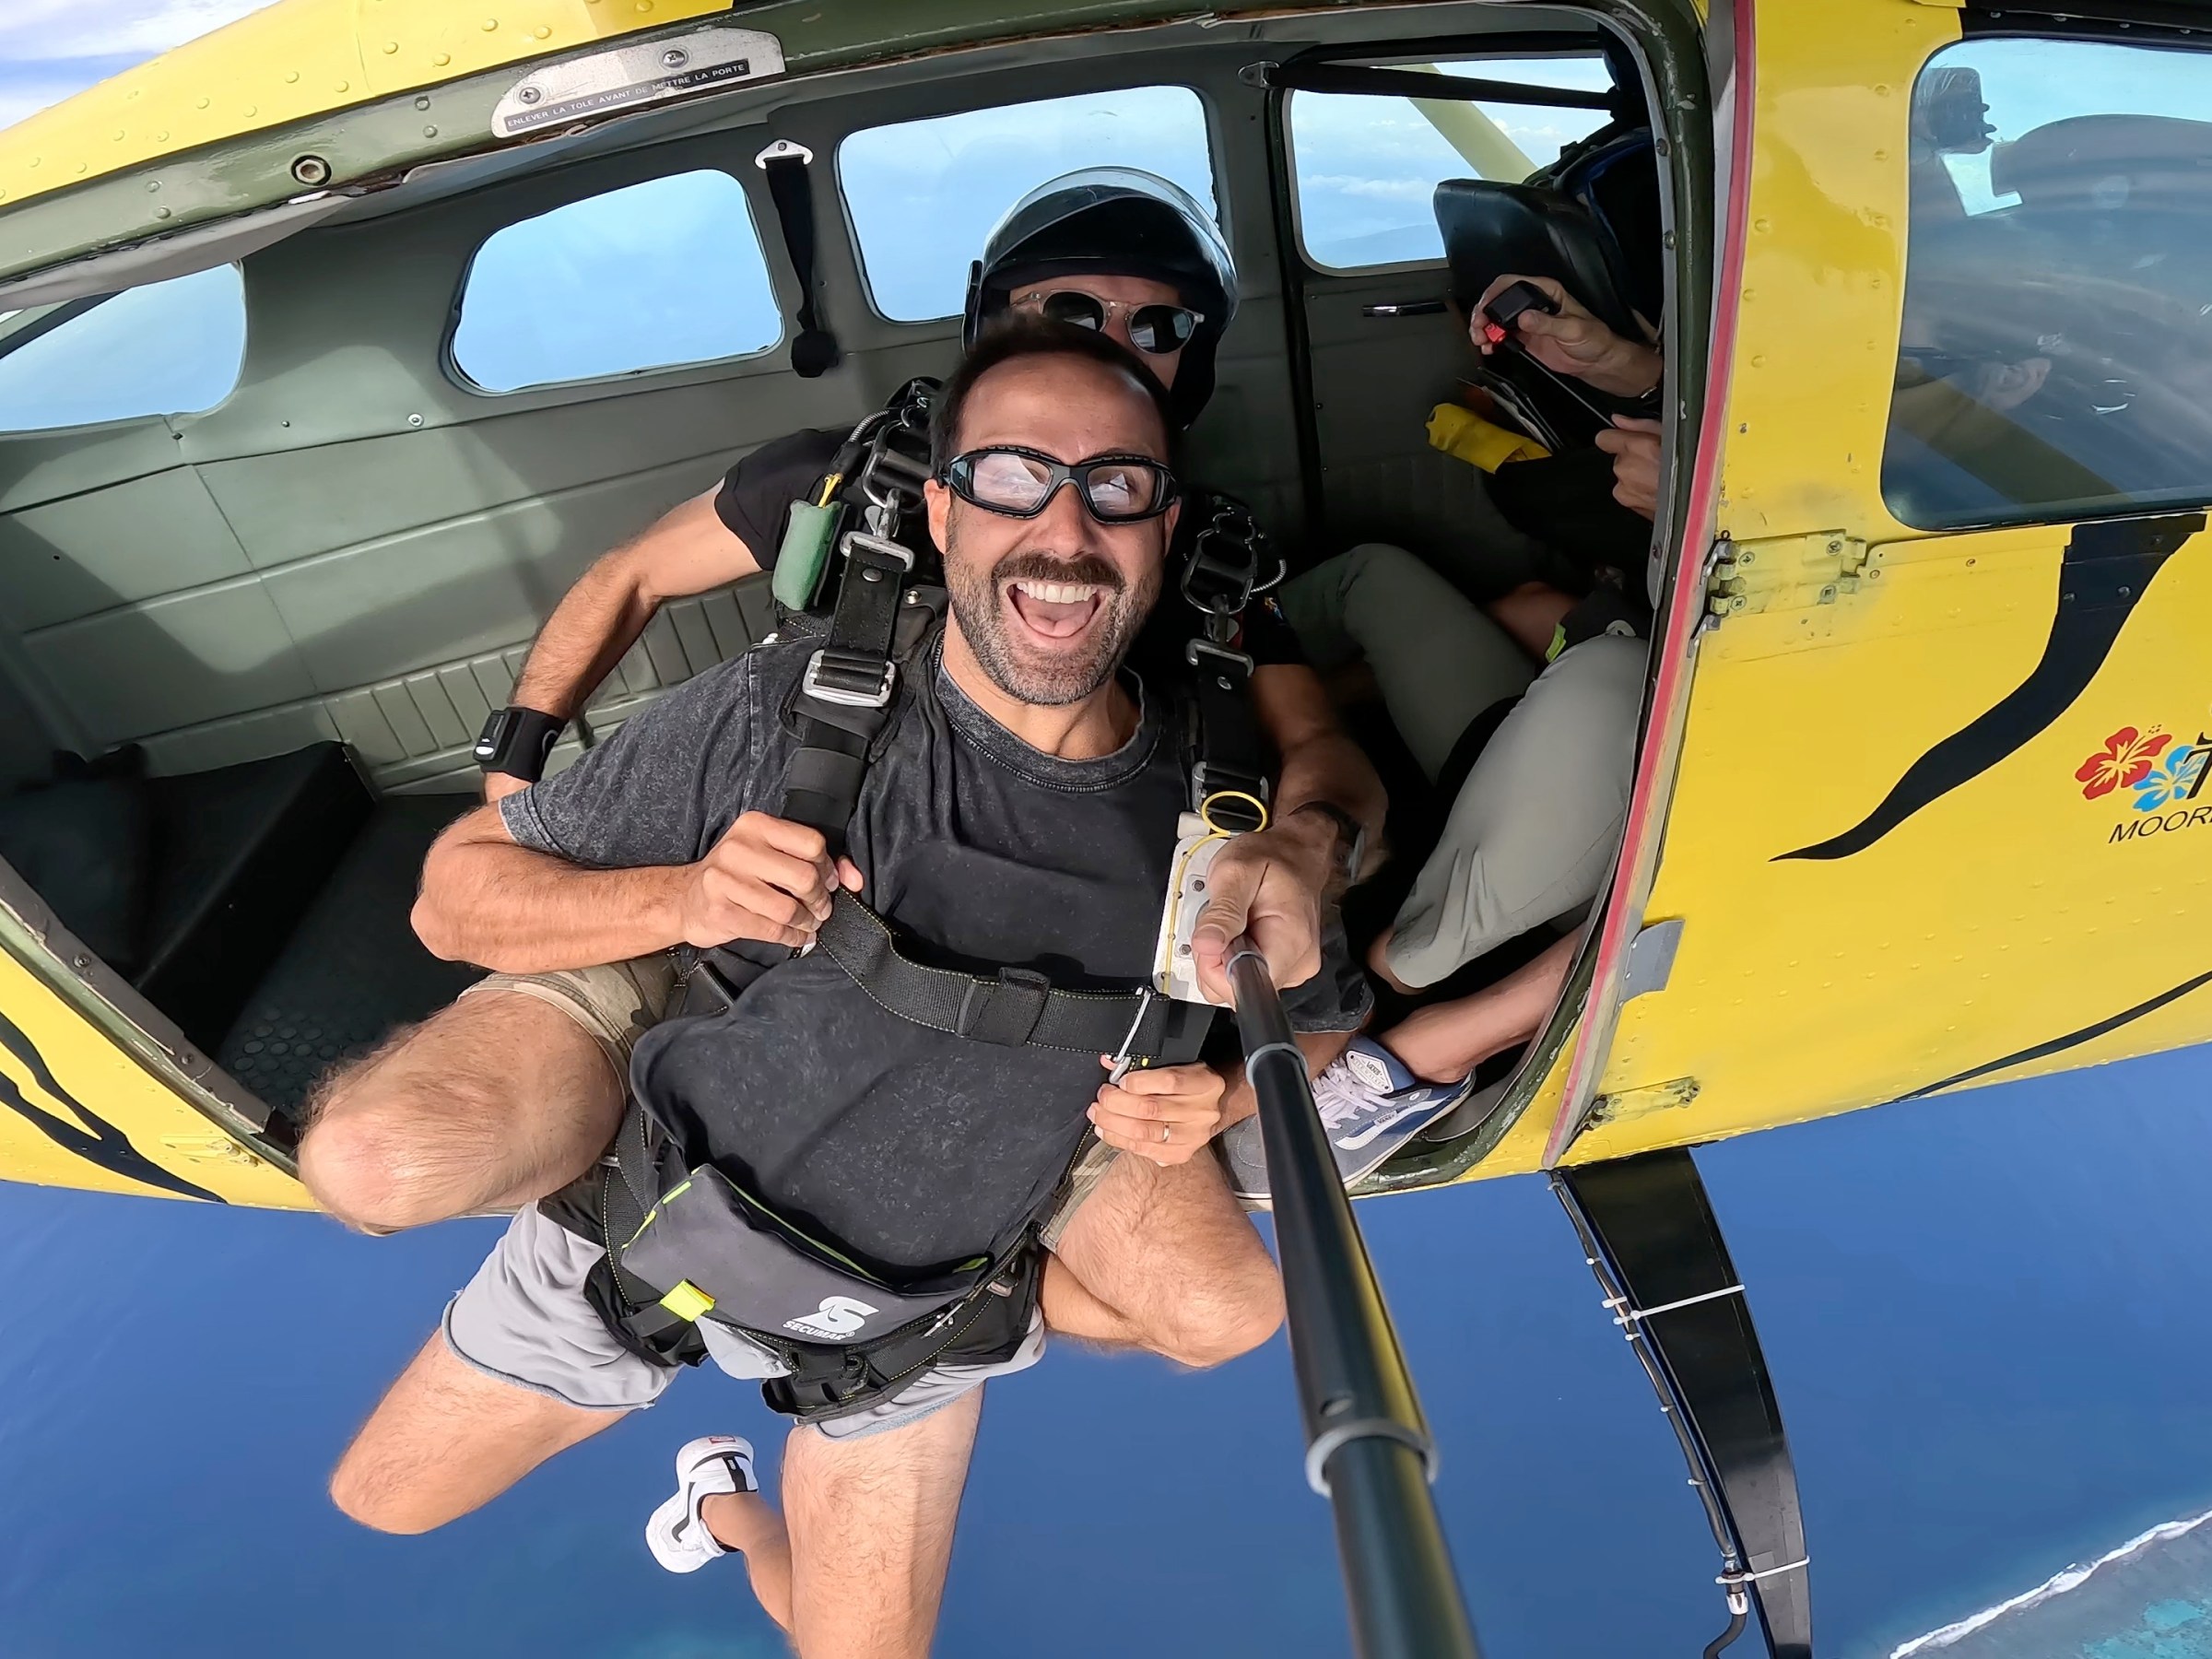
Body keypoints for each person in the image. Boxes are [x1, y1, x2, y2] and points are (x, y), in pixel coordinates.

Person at [324, 323, 1369, 1659]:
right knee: (384, 1472)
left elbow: (1324, 1017)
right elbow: (452, 895)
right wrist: (684, 898)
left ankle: (728, 1505)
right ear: (939, 511)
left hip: (910, 1325)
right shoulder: (805, 713)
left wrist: (1220, 1093)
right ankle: (612, 1082)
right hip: (642, 1216)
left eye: (1114, 486)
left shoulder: (1220, 820)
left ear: (1162, 528)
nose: (1063, 526)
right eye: (1009, 477)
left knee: (1224, 1323)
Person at [1228, 273, 1660, 1196]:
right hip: (1565, 681)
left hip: (1635, 701)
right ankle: (1219, 698)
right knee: (1368, 579)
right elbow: (1533, 606)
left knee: (1410, 953)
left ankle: (1390, 1015)